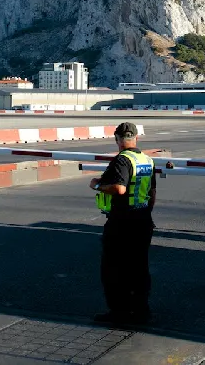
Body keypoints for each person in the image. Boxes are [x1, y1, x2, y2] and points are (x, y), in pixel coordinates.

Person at [90, 121, 156, 325]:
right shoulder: (146, 160)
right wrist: (145, 213)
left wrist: (97, 185)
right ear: (136, 138)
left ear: (117, 139)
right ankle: (141, 311)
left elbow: (119, 189)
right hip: (143, 220)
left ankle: (119, 312)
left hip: (122, 223)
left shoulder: (122, 160)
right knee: (139, 267)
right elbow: (152, 193)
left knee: (113, 269)